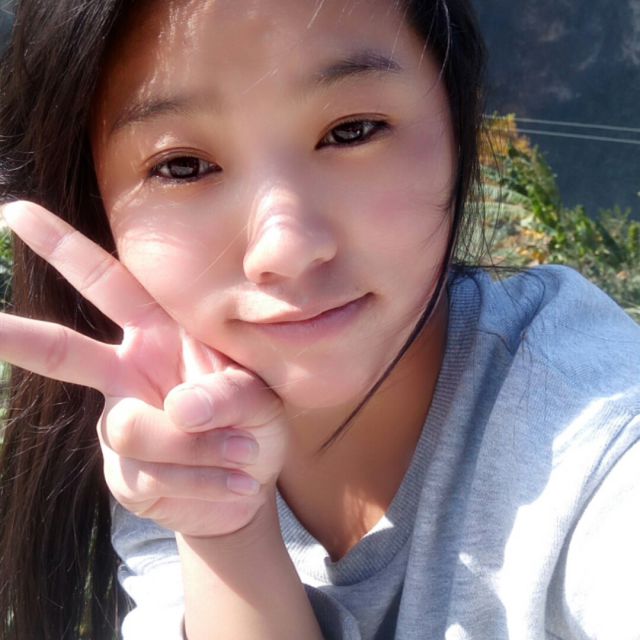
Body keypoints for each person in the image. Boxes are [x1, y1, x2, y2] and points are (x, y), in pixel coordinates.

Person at [0, 0, 638, 639]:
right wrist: (223, 529)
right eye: (182, 166)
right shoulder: (163, 433)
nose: (287, 247)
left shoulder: (594, 427)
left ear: (458, 118)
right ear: (96, 207)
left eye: (353, 130)